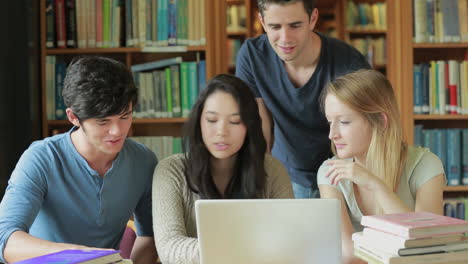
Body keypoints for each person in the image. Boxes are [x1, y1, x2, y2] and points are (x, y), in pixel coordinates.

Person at [0, 56, 158, 263]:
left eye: (125, 116)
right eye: (103, 121)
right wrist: (76, 254)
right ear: (73, 117)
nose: (117, 131)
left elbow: (149, 236)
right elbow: (5, 239)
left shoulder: (143, 161)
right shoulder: (41, 158)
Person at [152, 74, 294, 264]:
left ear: (249, 126)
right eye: (211, 120)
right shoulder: (171, 171)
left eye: (234, 122)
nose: (221, 132)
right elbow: (169, 248)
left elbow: (288, 241)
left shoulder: (273, 170)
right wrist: (242, 250)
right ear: (199, 122)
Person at [236, 0, 371, 198]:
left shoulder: (349, 63)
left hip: (341, 176)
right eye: (275, 27)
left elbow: (366, 133)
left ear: (313, 19)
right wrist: (259, 185)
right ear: (262, 22)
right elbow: (259, 126)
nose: (285, 39)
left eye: (295, 25)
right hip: (285, 175)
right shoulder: (252, 56)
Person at [317, 69, 446, 264]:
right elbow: (348, 255)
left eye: (343, 122)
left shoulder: (426, 165)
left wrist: (376, 186)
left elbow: (425, 247)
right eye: (329, 122)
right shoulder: (330, 172)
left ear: (380, 121)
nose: (332, 134)